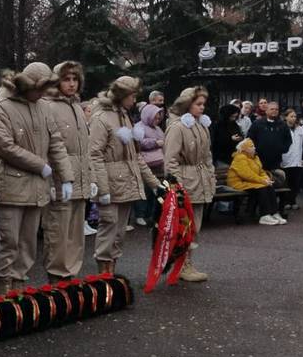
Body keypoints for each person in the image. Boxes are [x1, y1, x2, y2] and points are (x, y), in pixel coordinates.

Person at [0, 63, 73, 291]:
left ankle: (19, 284)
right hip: (11, 185)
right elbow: (4, 146)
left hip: (37, 187)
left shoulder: (44, 107)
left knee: (28, 242)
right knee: (10, 240)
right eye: (41, 88)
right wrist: (40, 165)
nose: (44, 93)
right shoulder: (2, 106)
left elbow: (56, 143)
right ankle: (5, 288)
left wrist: (66, 176)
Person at [88, 76, 160, 274]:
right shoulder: (102, 118)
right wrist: (103, 190)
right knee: (108, 229)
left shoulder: (124, 116)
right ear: (121, 95)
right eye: (132, 96)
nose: (135, 100)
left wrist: (155, 184)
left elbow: (135, 156)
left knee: (119, 233)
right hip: (110, 185)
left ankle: (111, 272)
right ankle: (104, 276)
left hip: (124, 183)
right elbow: (94, 155)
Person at [40, 62, 96, 282]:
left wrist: (91, 177)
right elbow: (49, 148)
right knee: (58, 234)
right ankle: (57, 280)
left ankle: (70, 276)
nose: (72, 84)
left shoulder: (77, 107)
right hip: (60, 181)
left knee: (75, 236)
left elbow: (85, 148)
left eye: (75, 79)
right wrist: (52, 182)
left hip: (79, 181)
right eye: (66, 79)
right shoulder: (49, 107)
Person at [164, 87, 215, 282]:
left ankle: (186, 263)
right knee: (184, 227)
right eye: (198, 104)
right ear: (187, 104)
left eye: (203, 104)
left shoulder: (201, 125)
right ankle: (181, 265)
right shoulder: (177, 127)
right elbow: (171, 160)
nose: (202, 108)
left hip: (199, 181)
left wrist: (210, 177)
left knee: (194, 227)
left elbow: (207, 157)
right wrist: (176, 186)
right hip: (186, 182)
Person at [227, 139, 286, 225]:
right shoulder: (240, 158)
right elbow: (247, 174)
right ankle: (265, 215)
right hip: (238, 183)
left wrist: (266, 179)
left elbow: (261, 171)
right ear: (245, 149)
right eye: (251, 146)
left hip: (250, 182)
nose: (254, 148)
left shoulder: (255, 157)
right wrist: (262, 181)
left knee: (269, 186)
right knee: (262, 187)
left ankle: (274, 213)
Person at [133, 104, 165, 224]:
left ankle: (150, 214)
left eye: (158, 118)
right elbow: (138, 143)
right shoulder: (139, 127)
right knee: (144, 190)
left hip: (158, 164)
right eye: (155, 117)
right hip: (144, 163)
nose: (157, 120)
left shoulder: (157, 128)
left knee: (154, 190)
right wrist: (155, 143)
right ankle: (140, 215)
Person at [248, 101, 291, 173]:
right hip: (259, 159)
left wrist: (282, 149)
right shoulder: (257, 123)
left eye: (276, 109)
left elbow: (288, 139)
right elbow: (250, 138)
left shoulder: (283, 124)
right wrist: (256, 150)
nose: (274, 111)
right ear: (266, 111)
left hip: (276, 160)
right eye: (272, 109)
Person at [280, 109, 303, 210]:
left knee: (296, 183)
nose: (293, 118)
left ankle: (293, 200)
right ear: (286, 117)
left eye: (295, 116)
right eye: (291, 116)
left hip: (297, 159)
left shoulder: (301, 129)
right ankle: (285, 202)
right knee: (286, 182)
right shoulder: (282, 128)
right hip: (286, 158)